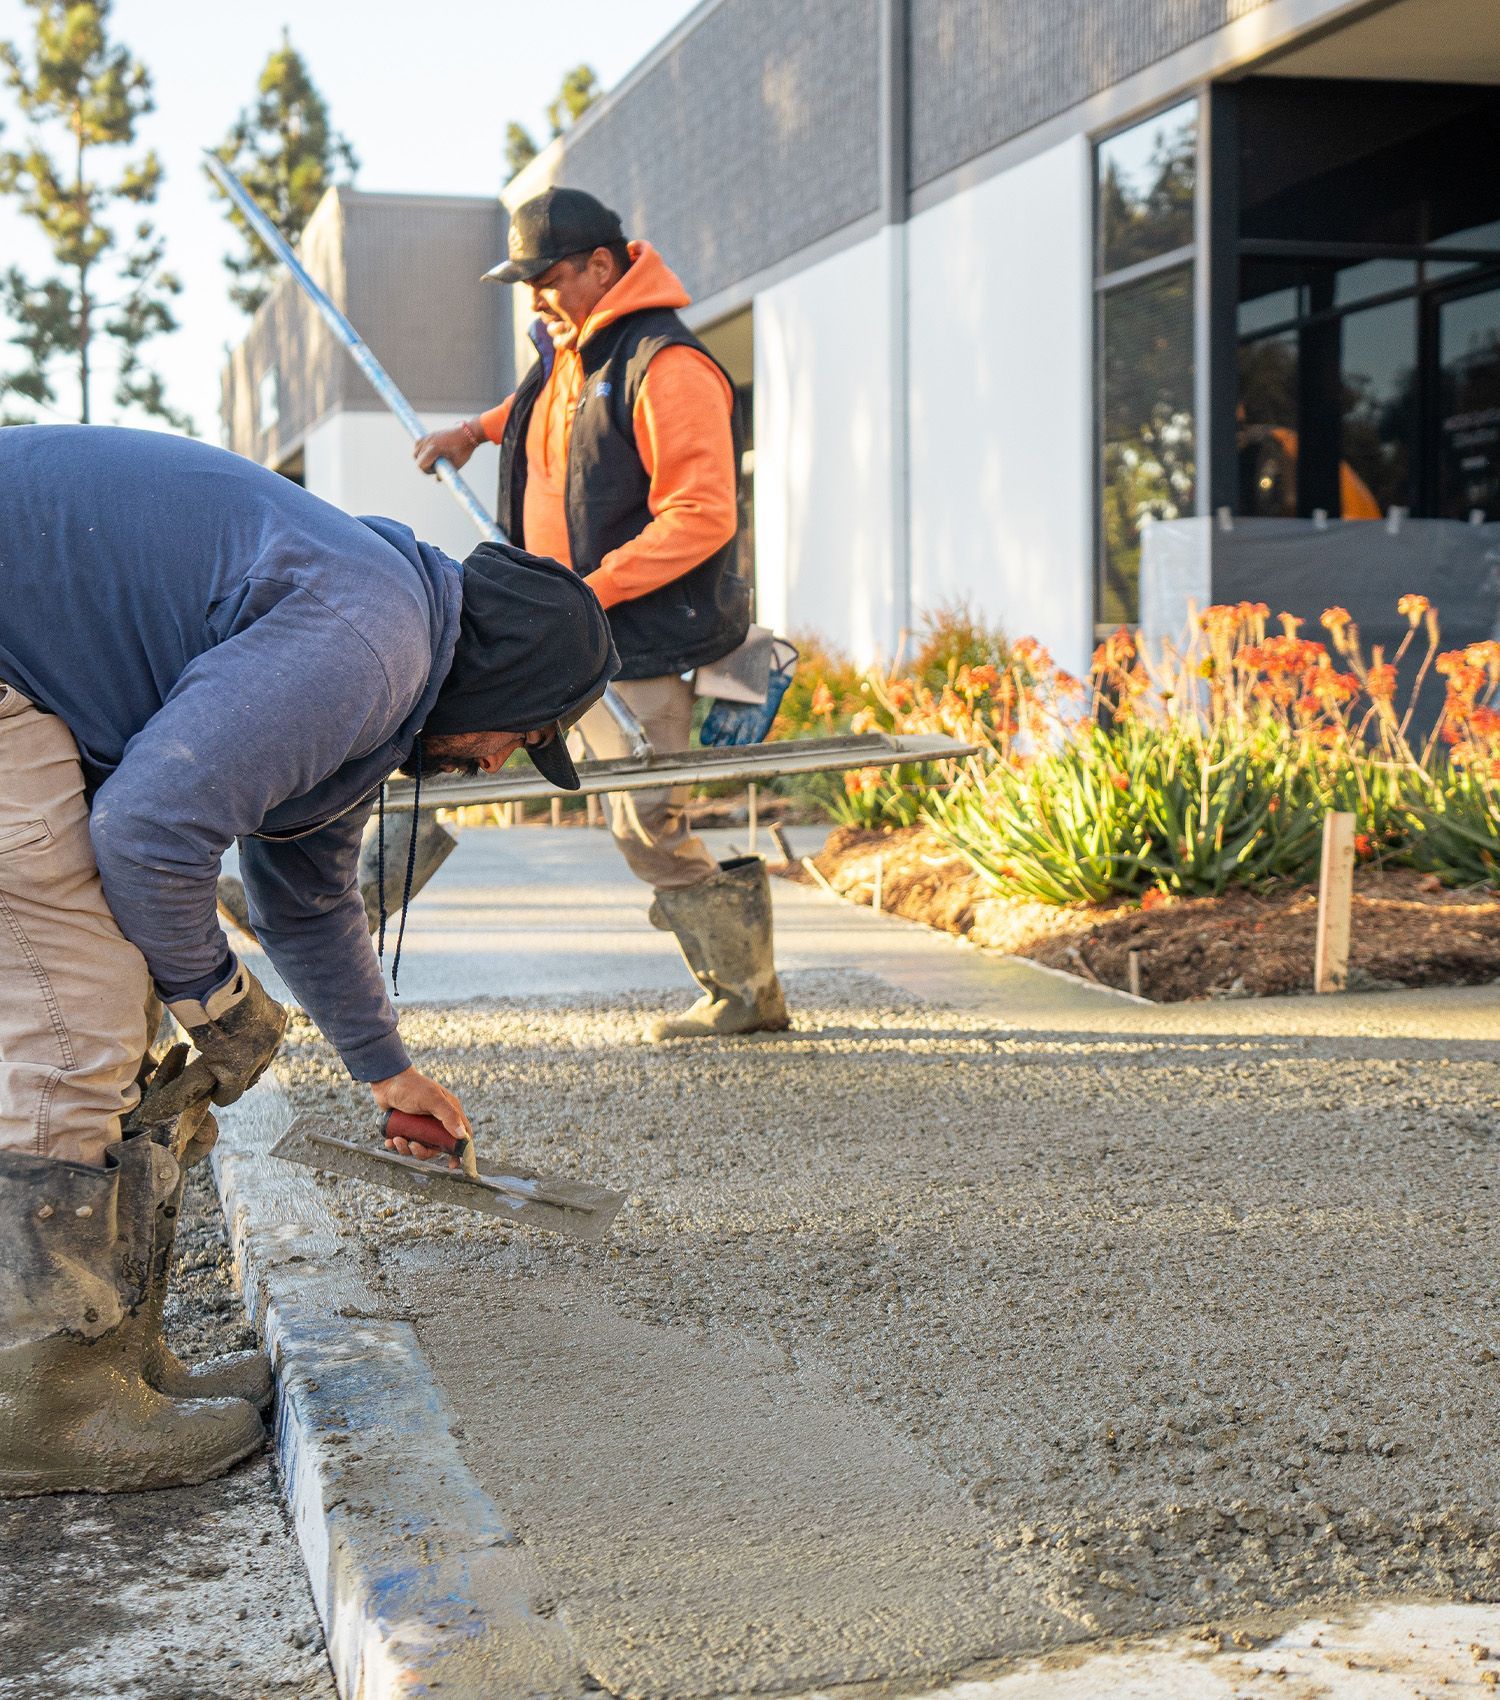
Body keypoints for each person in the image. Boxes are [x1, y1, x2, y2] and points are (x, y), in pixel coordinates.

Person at [0, 425, 616, 1496]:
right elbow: (146, 833)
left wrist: (388, 1068)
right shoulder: (369, 647)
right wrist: (220, 1005)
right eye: (522, 738)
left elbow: (306, 891)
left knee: (119, 986)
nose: (502, 760)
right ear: (504, 686)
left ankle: (113, 1360)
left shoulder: (386, 647)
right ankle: (45, 1402)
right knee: (80, 1008)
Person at [414, 186, 789, 1042]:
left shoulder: (667, 365)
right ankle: (328, 910)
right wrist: (472, 432)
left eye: (547, 279)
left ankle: (744, 989)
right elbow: (546, 410)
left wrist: (593, 589)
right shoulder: (570, 352)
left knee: (643, 818)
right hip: (555, 627)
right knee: (430, 737)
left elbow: (703, 514)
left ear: (603, 264)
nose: (536, 299)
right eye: (525, 285)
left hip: (634, 639)